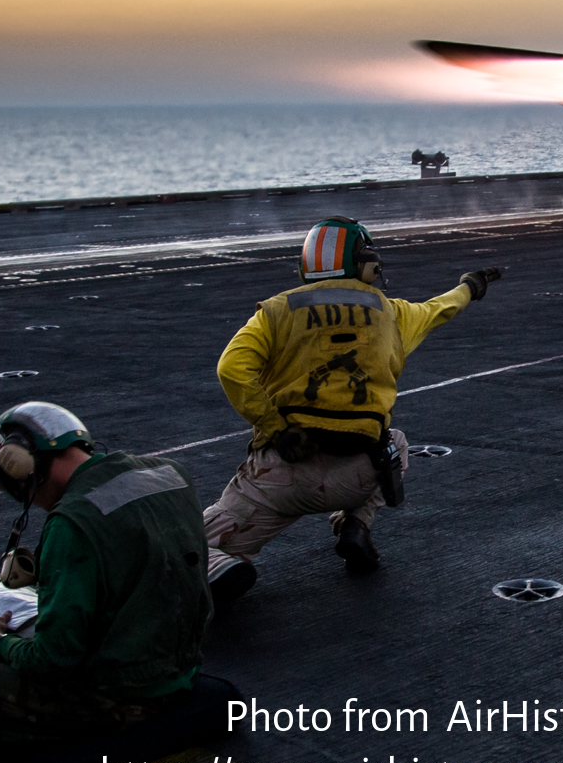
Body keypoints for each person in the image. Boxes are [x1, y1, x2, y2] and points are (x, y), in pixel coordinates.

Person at [0, 401, 212, 763]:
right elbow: (135, 557)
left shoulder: (71, 521)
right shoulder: (168, 474)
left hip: (118, 695)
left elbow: (52, 660)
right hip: (176, 669)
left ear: (22, 467)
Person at [205, 215, 499, 602]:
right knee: (396, 441)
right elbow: (439, 308)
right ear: (366, 265)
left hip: (284, 475)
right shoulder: (390, 312)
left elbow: (231, 369)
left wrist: (276, 426)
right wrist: (469, 286)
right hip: (359, 474)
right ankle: (355, 524)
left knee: (190, 543)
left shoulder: (276, 312)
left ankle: (219, 566)